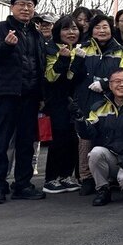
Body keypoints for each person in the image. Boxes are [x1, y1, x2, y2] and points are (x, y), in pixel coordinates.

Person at [0, 0, 47, 204]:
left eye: (30, 5)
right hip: (4, 94)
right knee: (1, 141)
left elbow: (40, 66)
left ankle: (22, 184)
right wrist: (6, 45)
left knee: (26, 142)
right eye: (21, 4)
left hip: (29, 96)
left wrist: (41, 95)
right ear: (12, 7)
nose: (26, 9)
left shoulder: (36, 34)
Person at [70, 68, 123, 206]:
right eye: (117, 81)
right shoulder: (99, 107)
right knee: (95, 152)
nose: (122, 85)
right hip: (113, 158)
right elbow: (88, 134)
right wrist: (80, 120)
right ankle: (103, 190)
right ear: (110, 85)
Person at [76, 15, 123, 196]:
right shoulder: (82, 48)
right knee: (85, 139)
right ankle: (86, 177)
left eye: (105, 27)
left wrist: (107, 84)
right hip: (86, 99)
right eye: (98, 27)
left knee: (109, 136)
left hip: (111, 100)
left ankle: (109, 177)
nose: (102, 30)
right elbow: (71, 75)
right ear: (91, 30)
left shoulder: (121, 51)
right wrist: (76, 60)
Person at [41, 16, 86, 194]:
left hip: (74, 102)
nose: (71, 32)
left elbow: (73, 78)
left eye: (75, 29)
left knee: (73, 139)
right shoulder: (51, 50)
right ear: (58, 31)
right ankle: (51, 178)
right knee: (58, 139)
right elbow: (52, 77)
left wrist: (77, 62)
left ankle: (66, 176)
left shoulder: (79, 50)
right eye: (66, 29)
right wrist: (64, 60)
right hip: (56, 101)